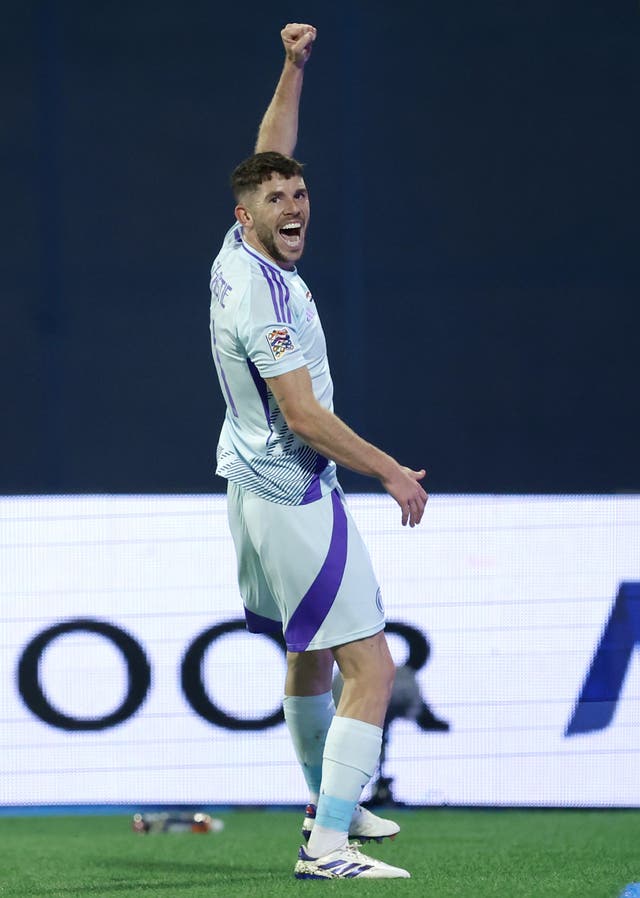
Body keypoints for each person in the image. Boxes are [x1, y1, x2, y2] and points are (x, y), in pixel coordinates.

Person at [209, 23, 428, 880]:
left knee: (307, 655)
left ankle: (325, 806)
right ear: (247, 215)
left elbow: (268, 153)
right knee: (370, 667)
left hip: (250, 483)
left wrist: (292, 69)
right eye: (278, 202)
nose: (293, 207)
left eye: (300, 197)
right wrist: (391, 472)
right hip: (295, 491)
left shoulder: (234, 249)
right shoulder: (262, 300)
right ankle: (329, 846)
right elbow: (302, 415)